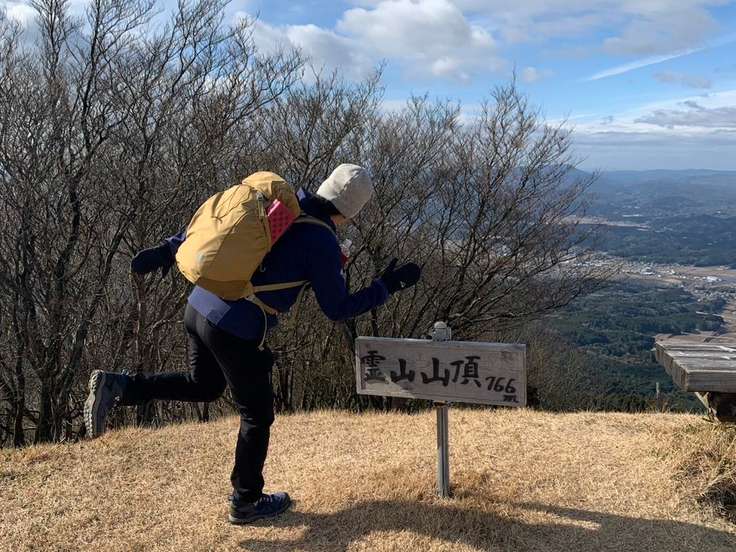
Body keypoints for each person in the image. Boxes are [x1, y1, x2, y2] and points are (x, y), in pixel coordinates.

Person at [84, 164, 421, 524]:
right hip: (234, 324)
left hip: (200, 304)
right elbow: (337, 309)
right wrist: (386, 286)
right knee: (257, 415)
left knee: (205, 386)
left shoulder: (283, 204)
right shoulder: (321, 239)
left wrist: (171, 248)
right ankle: (246, 501)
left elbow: (229, 233)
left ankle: (120, 387)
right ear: (351, 212)